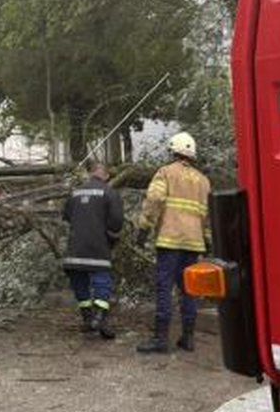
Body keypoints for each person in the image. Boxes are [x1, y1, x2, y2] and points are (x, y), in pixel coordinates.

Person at [135, 132, 211, 354]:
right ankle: (188, 338)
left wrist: (144, 227)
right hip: (194, 244)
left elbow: (155, 200)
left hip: (170, 242)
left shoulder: (165, 173)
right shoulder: (203, 181)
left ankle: (161, 339)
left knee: (164, 289)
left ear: (173, 151)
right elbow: (206, 214)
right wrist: (207, 239)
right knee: (189, 290)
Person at [62, 160, 124, 339]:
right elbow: (116, 222)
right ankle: (99, 318)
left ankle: (88, 319)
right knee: (101, 285)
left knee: (80, 286)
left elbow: (66, 216)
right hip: (98, 250)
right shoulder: (110, 193)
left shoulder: (75, 192)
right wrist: (112, 238)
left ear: (91, 173)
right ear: (105, 175)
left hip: (74, 251)